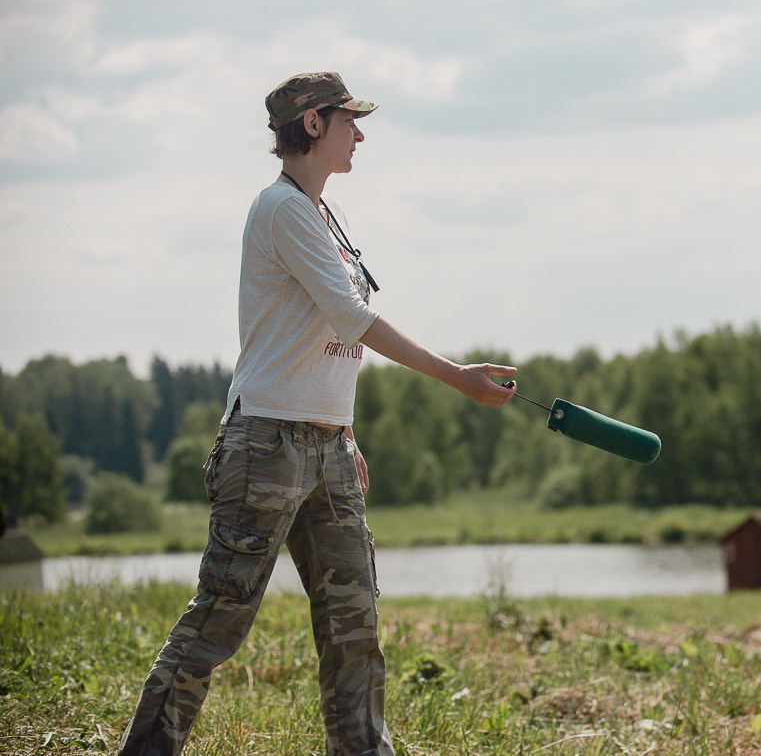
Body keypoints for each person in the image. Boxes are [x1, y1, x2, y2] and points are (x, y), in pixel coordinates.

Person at [118, 71, 516, 756]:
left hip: (327, 447)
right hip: (266, 442)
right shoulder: (280, 209)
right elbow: (351, 319)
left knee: (353, 621)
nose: (359, 133)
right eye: (347, 120)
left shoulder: (324, 216)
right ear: (311, 125)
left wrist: (345, 429)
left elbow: (322, 342)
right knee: (222, 616)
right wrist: (458, 378)